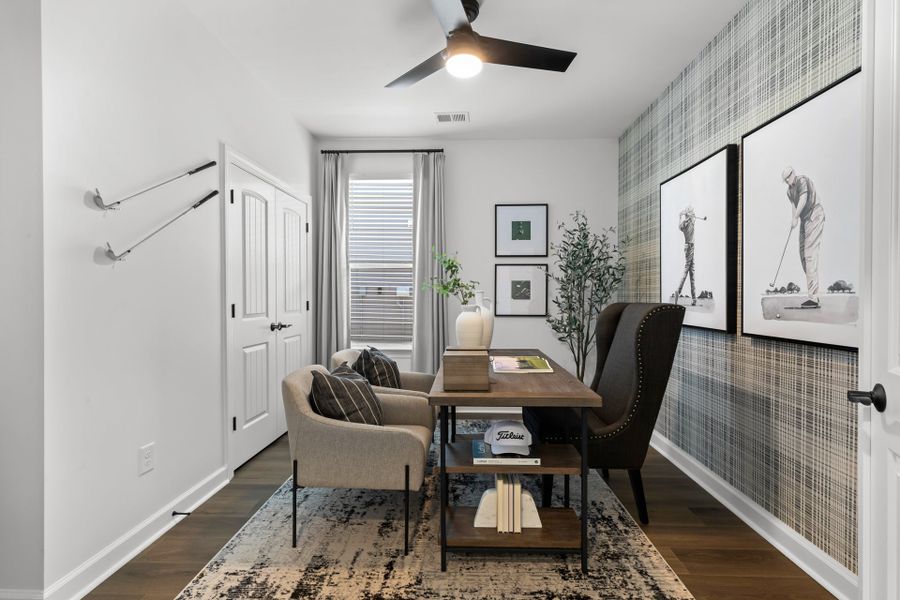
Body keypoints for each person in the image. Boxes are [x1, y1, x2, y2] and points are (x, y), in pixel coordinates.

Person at [782, 167, 825, 308]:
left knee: (809, 255)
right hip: (804, 219)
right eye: (785, 180)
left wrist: (795, 217)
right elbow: (794, 206)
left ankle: (814, 297)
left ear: (793, 174)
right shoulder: (789, 191)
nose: (787, 181)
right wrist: (793, 219)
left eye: (788, 177)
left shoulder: (801, 180)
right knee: (803, 256)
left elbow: (803, 199)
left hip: (814, 214)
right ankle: (814, 291)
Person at [673, 205, 706, 306]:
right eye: (691, 211)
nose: (693, 212)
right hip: (691, 247)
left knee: (692, 272)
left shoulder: (684, 224)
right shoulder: (691, 221)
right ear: (690, 214)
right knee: (687, 269)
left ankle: (694, 299)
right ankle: (678, 290)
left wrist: (681, 216)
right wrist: (688, 214)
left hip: (687, 247)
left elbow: (679, 226)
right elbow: (693, 216)